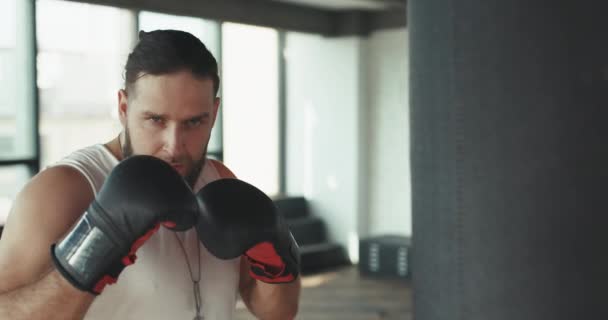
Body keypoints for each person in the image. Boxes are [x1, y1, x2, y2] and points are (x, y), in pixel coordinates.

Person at [0, 29, 301, 319]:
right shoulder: (66, 188)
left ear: (214, 113)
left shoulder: (219, 180)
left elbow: (278, 311)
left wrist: (276, 252)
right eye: (156, 120)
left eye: (194, 122)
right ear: (123, 107)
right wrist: (91, 252)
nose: (174, 145)